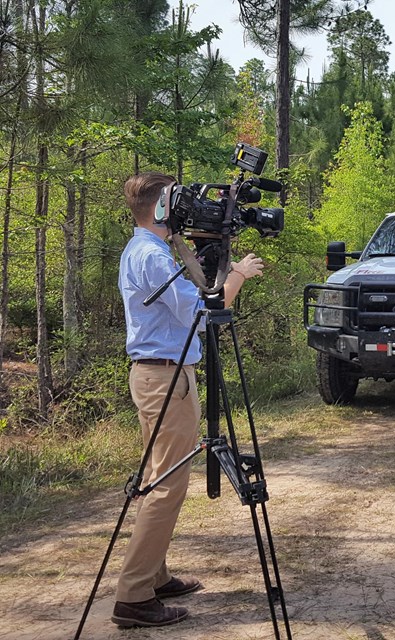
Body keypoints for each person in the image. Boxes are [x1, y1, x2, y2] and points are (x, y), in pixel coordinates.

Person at [112, 171, 264, 628]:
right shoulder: (152, 258)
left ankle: (153, 577)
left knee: (158, 475)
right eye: (177, 202)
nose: (184, 209)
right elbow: (206, 313)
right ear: (161, 207)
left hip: (161, 375)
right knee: (168, 484)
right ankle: (134, 596)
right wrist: (237, 274)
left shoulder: (151, 250)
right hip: (166, 377)